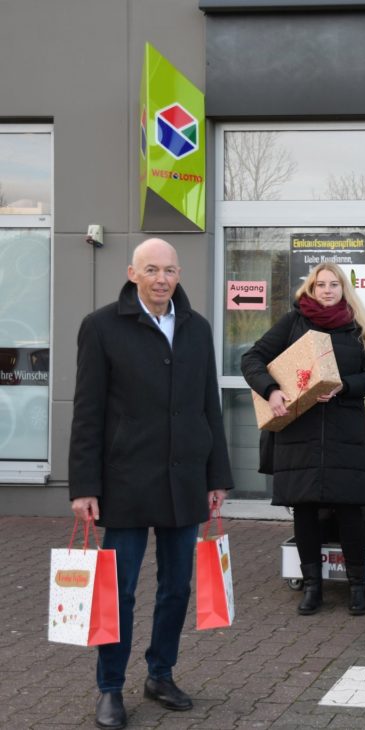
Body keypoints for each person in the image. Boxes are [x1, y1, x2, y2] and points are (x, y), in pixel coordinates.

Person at [69, 238, 233, 730]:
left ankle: (160, 674)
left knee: (177, 588)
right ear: (132, 273)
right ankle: (111, 687)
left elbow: (209, 405)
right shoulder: (100, 328)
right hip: (125, 483)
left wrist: (217, 475)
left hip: (184, 481)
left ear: (179, 274)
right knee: (118, 592)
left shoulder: (197, 328)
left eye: (169, 270)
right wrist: (84, 486)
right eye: (151, 270)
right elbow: (88, 412)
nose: (161, 279)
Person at [242, 262, 365, 618]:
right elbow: (252, 358)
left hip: (343, 431)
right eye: (321, 284)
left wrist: (344, 387)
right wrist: (271, 390)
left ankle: (357, 586)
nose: (327, 290)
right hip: (299, 431)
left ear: (343, 290)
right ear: (311, 288)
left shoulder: (357, 328)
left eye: (334, 284)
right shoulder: (293, 323)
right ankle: (312, 586)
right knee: (304, 509)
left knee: (350, 508)